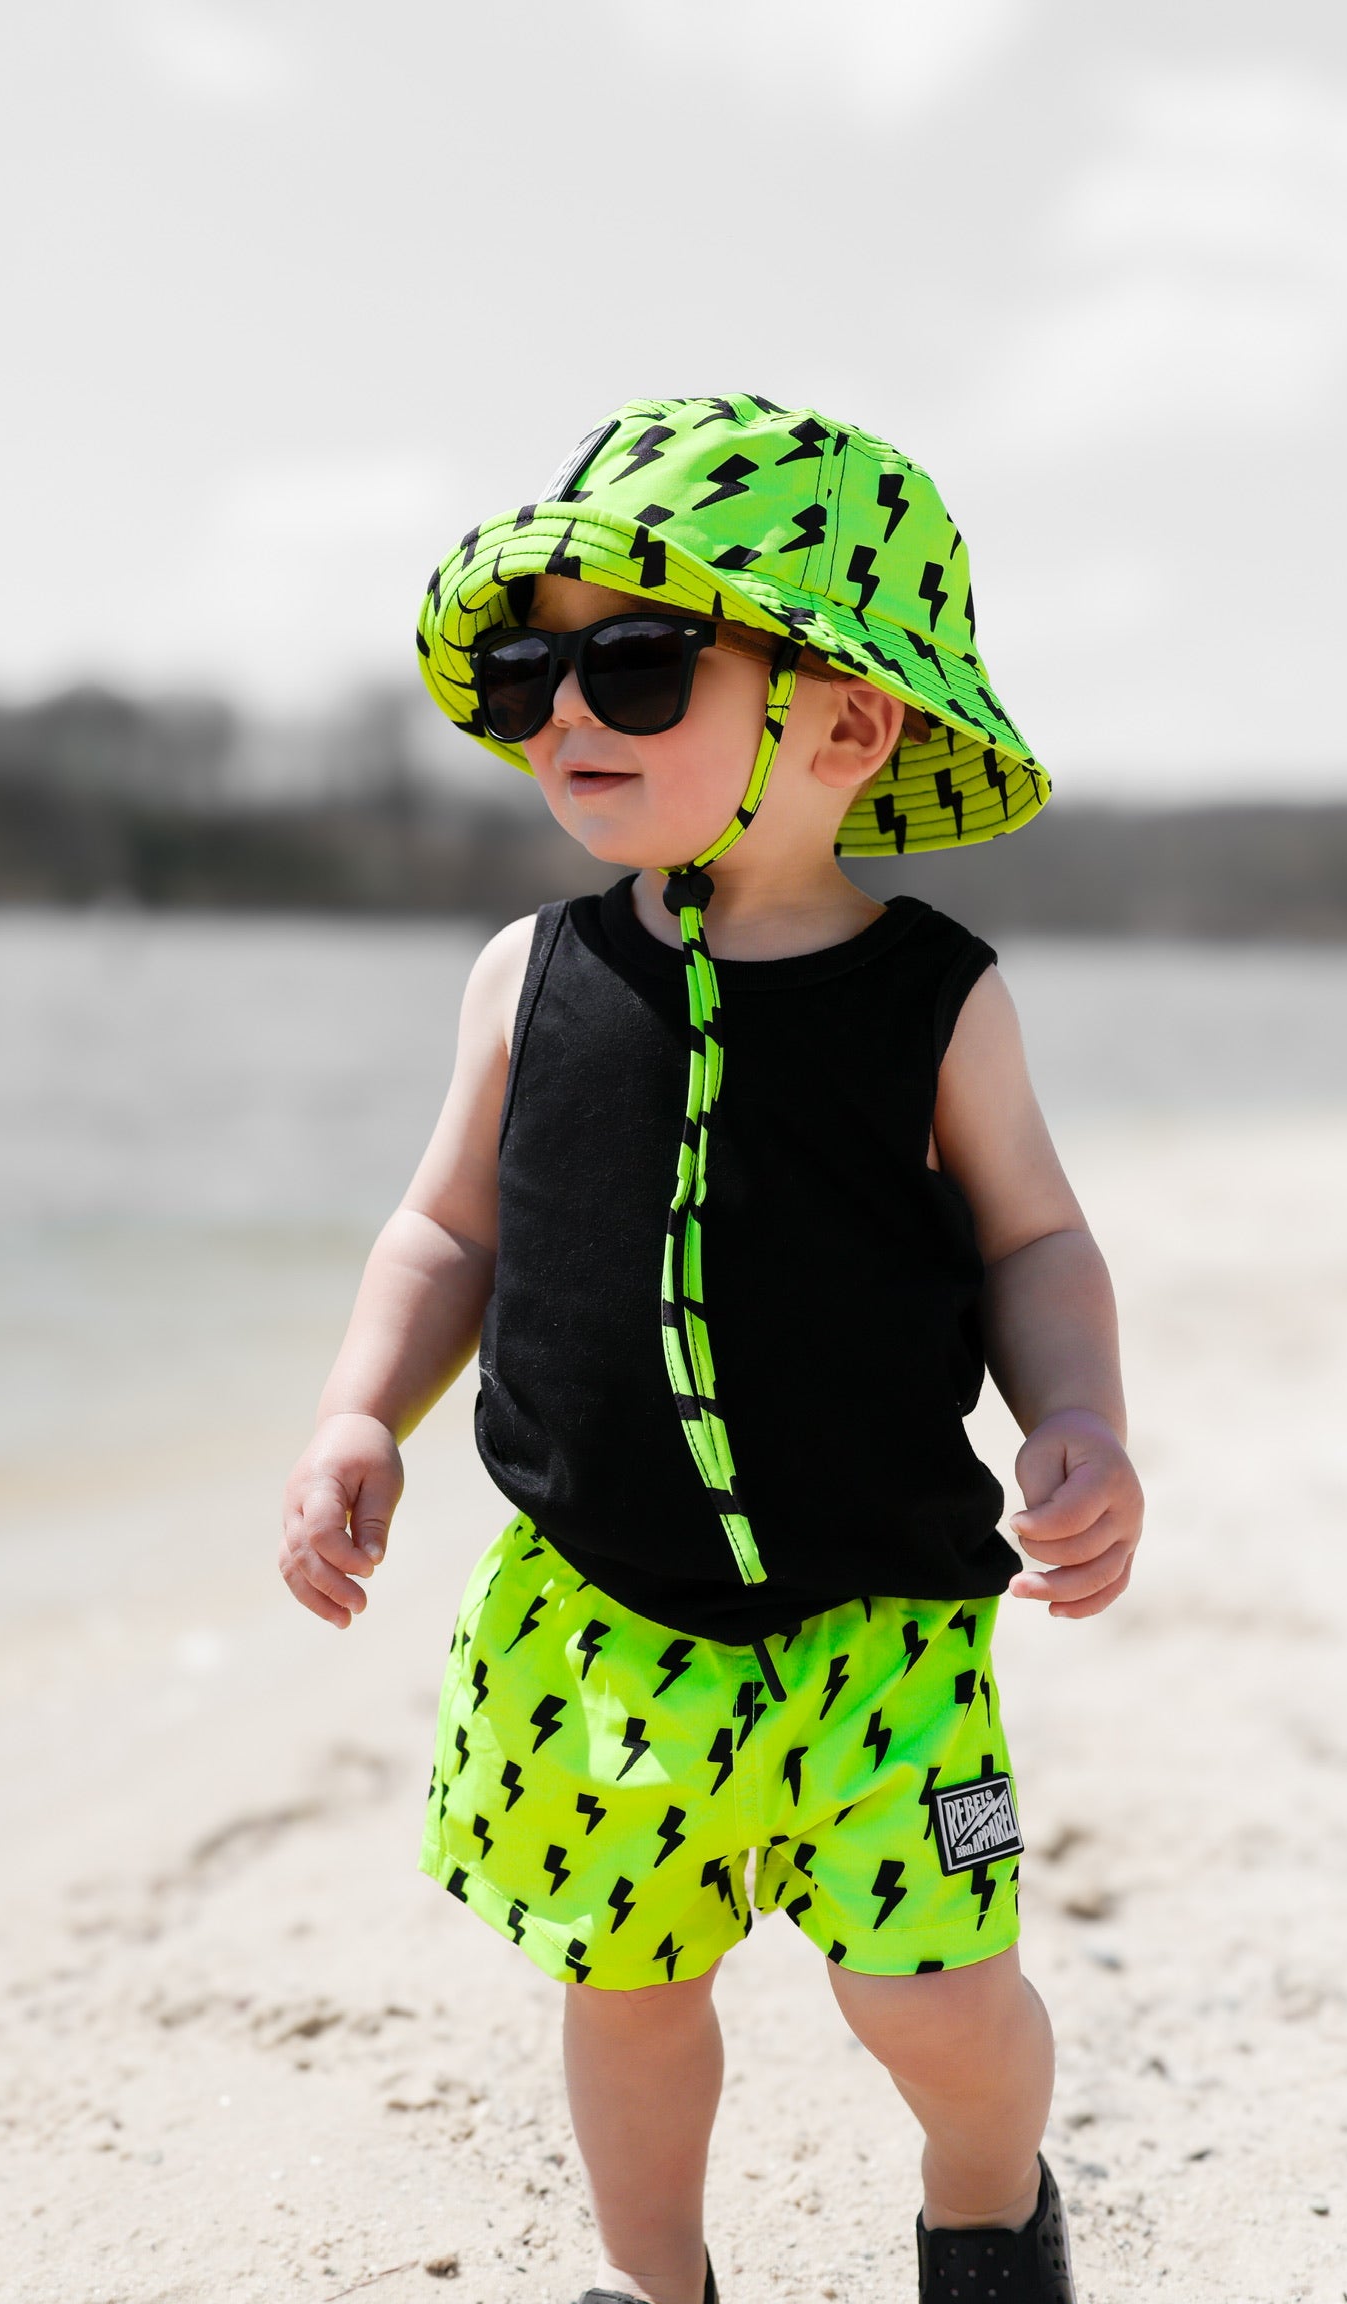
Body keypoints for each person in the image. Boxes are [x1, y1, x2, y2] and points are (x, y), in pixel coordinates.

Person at [279, 396, 1143, 2304]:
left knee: (933, 1997)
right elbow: (447, 1230)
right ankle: (653, 2281)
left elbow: (1037, 1238)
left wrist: (1078, 1415)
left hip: (881, 1630)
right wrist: (361, 1411)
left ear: (849, 724)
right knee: (628, 1987)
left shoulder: (934, 1000)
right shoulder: (527, 975)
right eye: (531, 674)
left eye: (641, 664)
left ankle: (989, 2208)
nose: (564, 714)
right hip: (597, 1620)